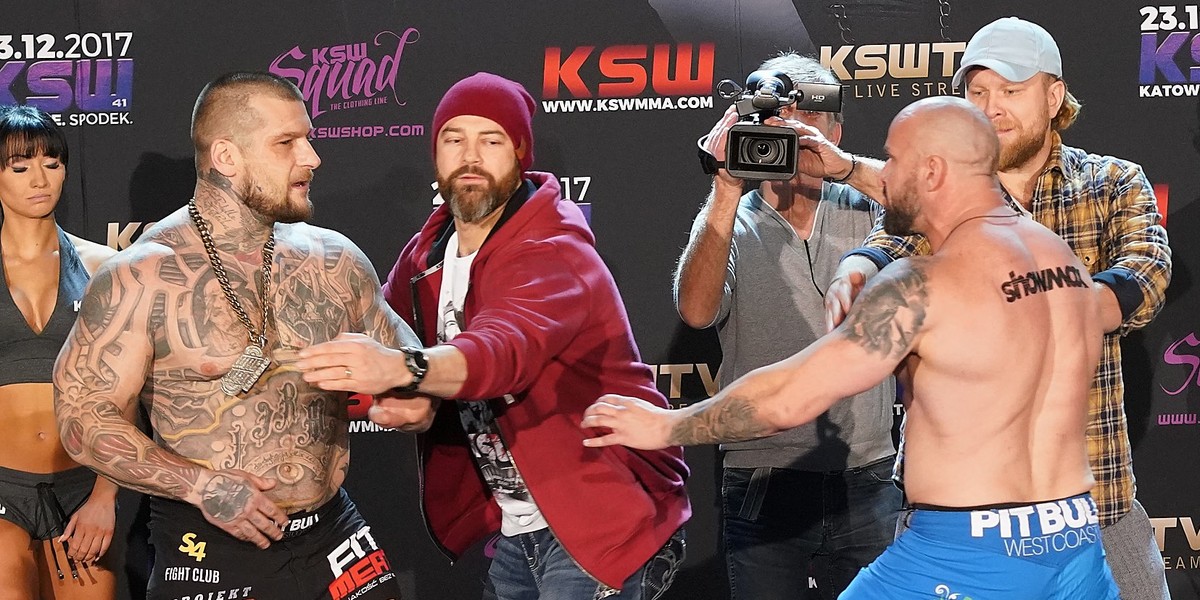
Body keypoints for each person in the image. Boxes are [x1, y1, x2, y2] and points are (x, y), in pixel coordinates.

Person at [582, 96, 1120, 599]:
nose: (883, 174)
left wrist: (666, 426)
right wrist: (842, 170)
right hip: (1075, 547)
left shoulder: (921, 284)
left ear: (932, 172)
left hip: (963, 555)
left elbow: (787, 398)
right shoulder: (1061, 260)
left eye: (893, 159)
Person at [792, 17, 1172, 599]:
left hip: (1096, 508)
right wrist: (856, 267)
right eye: (978, 91)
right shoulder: (944, 192)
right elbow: (887, 243)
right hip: (958, 526)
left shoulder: (1111, 182)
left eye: (1011, 90)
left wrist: (1043, 305)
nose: (992, 107)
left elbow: (1147, 271)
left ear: (1054, 96)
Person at [296, 72, 690, 599]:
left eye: (491, 140)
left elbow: (501, 352)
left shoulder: (553, 250)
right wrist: (398, 396)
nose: (470, 157)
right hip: (519, 530)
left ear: (521, 153)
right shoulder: (427, 255)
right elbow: (384, 338)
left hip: (605, 517)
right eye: (454, 139)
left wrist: (403, 369)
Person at [52, 72, 413, 600]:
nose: (312, 158)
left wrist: (410, 391)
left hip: (335, 536)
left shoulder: (334, 259)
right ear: (226, 157)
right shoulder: (143, 275)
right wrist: (203, 486)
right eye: (287, 143)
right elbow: (81, 417)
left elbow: (404, 354)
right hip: (209, 547)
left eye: (308, 139)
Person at [677, 53, 898, 599]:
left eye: (811, 114)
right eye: (779, 116)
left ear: (836, 130)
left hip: (867, 472)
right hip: (763, 474)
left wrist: (845, 167)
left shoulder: (871, 205)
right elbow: (697, 312)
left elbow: (942, 204)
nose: (794, 129)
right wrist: (724, 188)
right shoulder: (729, 218)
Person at [0, 104, 118, 599]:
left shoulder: (103, 266)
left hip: (83, 488)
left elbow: (124, 390)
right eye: (19, 166)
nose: (39, 179)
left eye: (52, 163)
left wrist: (105, 495)